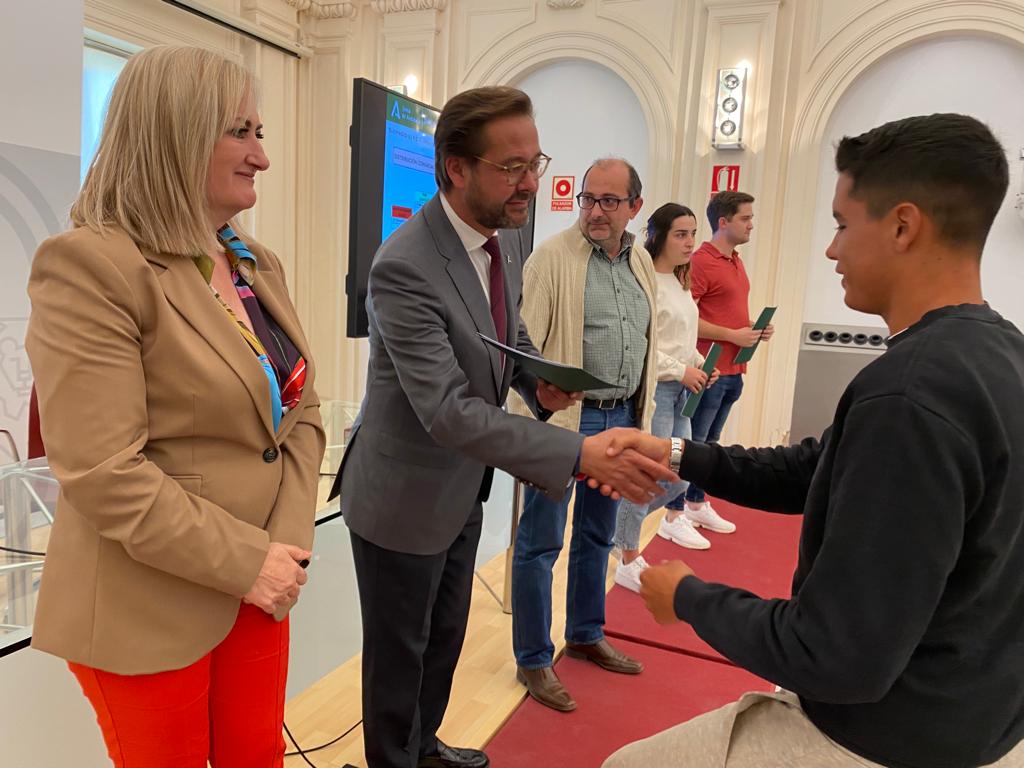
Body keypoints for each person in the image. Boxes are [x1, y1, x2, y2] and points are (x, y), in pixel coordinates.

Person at [605, 113, 1024, 768]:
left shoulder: (908, 394)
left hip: (887, 736)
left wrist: (687, 597)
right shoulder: (1001, 353)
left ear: (903, 226)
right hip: (984, 718)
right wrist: (681, 454)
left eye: (841, 225)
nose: (831, 251)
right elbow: (820, 468)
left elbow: (833, 655)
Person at [328, 88, 676, 768]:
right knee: (400, 660)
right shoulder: (403, 265)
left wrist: (534, 380)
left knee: (444, 640)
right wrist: (579, 452)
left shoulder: (502, 242)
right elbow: (448, 411)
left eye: (534, 163)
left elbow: (504, 334)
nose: (532, 184)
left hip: (460, 488)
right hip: (402, 499)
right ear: (456, 169)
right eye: (512, 167)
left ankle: (424, 749)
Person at [25, 45, 325, 768]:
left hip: (258, 586)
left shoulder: (255, 261)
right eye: (240, 132)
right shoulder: (92, 265)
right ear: (176, 133)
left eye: (259, 132)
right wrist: (249, 561)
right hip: (147, 602)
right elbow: (104, 472)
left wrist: (282, 549)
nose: (262, 156)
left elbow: (301, 413)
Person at [509, 157, 658, 713]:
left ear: (634, 207)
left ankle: (586, 633)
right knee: (540, 542)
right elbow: (522, 350)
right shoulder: (551, 259)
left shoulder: (641, 261)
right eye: (588, 199)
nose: (595, 211)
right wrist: (531, 430)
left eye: (609, 201)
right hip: (569, 423)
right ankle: (533, 657)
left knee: (598, 535)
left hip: (623, 420)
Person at [612, 203, 720, 594]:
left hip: (682, 391)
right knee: (651, 476)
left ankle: (616, 530)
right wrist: (681, 370)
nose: (690, 243)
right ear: (658, 236)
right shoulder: (646, 283)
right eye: (681, 234)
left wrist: (700, 364)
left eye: (693, 234)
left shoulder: (679, 281)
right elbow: (641, 347)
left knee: (680, 478)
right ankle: (626, 556)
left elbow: (681, 339)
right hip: (658, 390)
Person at [682, 190, 774, 533]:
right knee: (696, 442)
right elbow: (687, 319)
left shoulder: (735, 260)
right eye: (745, 218)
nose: (751, 225)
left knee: (711, 442)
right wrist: (733, 335)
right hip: (709, 370)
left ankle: (696, 503)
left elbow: (724, 312)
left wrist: (751, 328)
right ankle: (676, 511)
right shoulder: (700, 262)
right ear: (723, 222)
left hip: (735, 370)